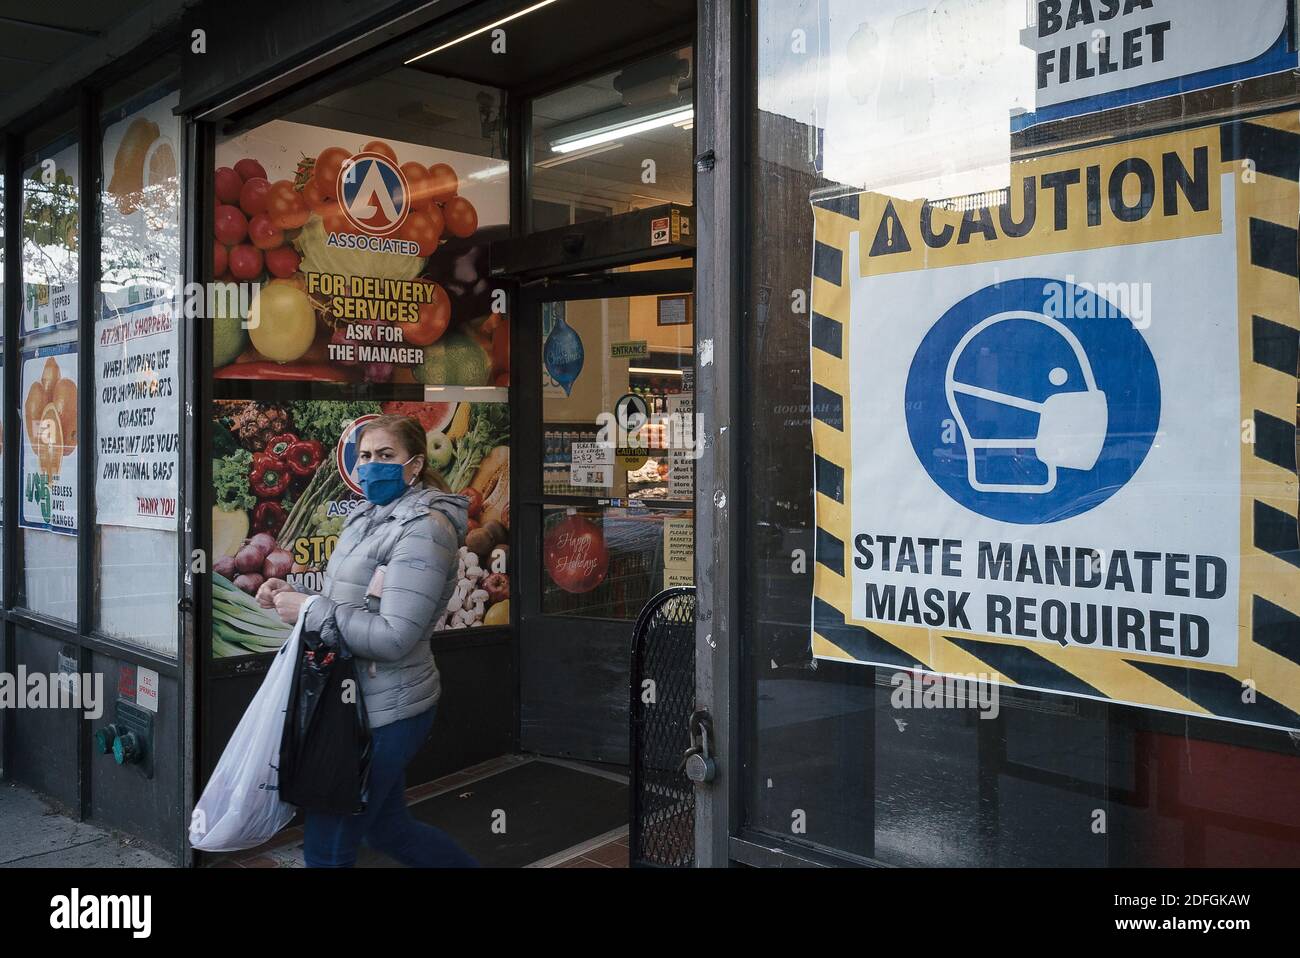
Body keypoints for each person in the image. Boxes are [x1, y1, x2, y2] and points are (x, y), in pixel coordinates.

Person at [256, 414, 477, 868]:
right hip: (354, 703)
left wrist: (313, 610)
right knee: (387, 827)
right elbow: (348, 603)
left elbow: (394, 637)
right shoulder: (367, 516)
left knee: (327, 847)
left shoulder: (425, 530)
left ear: (414, 465)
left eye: (386, 456)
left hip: (386, 711)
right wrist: (295, 596)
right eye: (365, 456)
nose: (372, 465)